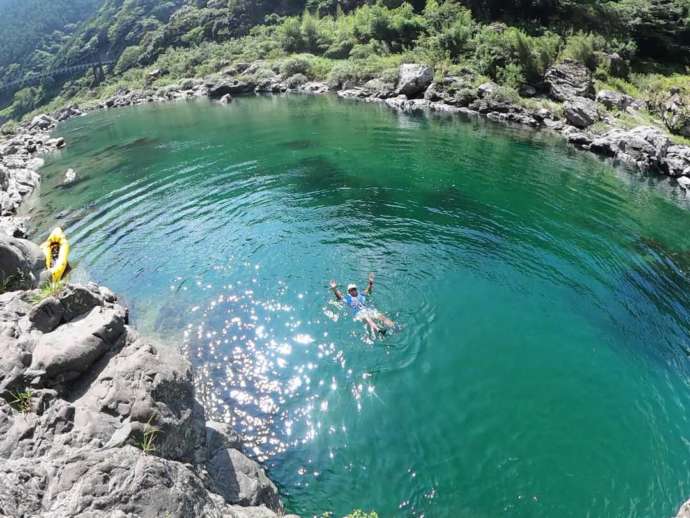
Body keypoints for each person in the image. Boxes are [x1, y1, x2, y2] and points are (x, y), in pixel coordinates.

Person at [329, 272, 394, 336]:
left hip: (367, 310)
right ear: (349, 292)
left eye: (354, 289)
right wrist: (334, 289)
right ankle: (378, 330)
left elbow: (368, 291)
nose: (353, 291)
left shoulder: (361, 294)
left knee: (380, 315)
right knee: (366, 316)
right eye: (351, 290)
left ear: (356, 289)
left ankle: (394, 326)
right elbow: (339, 297)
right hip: (358, 314)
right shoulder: (348, 298)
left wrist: (370, 283)